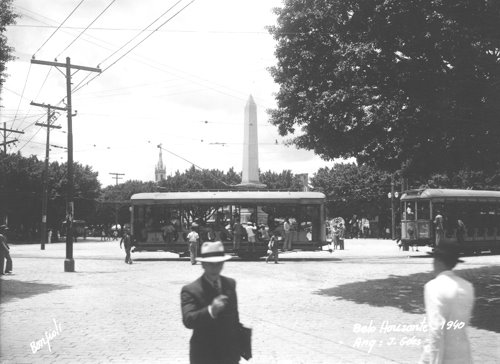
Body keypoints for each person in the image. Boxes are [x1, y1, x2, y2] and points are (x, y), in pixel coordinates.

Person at [180, 241, 240, 364]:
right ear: (202, 264)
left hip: (228, 354)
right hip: (204, 354)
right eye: (210, 264)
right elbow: (188, 320)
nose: (215, 268)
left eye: (219, 264)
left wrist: (238, 348)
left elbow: (234, 318)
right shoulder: (190, 290)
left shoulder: (230, 284)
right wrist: (210, 311)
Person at [419, 241, 474, 364]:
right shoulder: (467, 287)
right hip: (464, 356)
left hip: (443, 358)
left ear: (437, 261)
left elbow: (436, 331)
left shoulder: (433, 287)